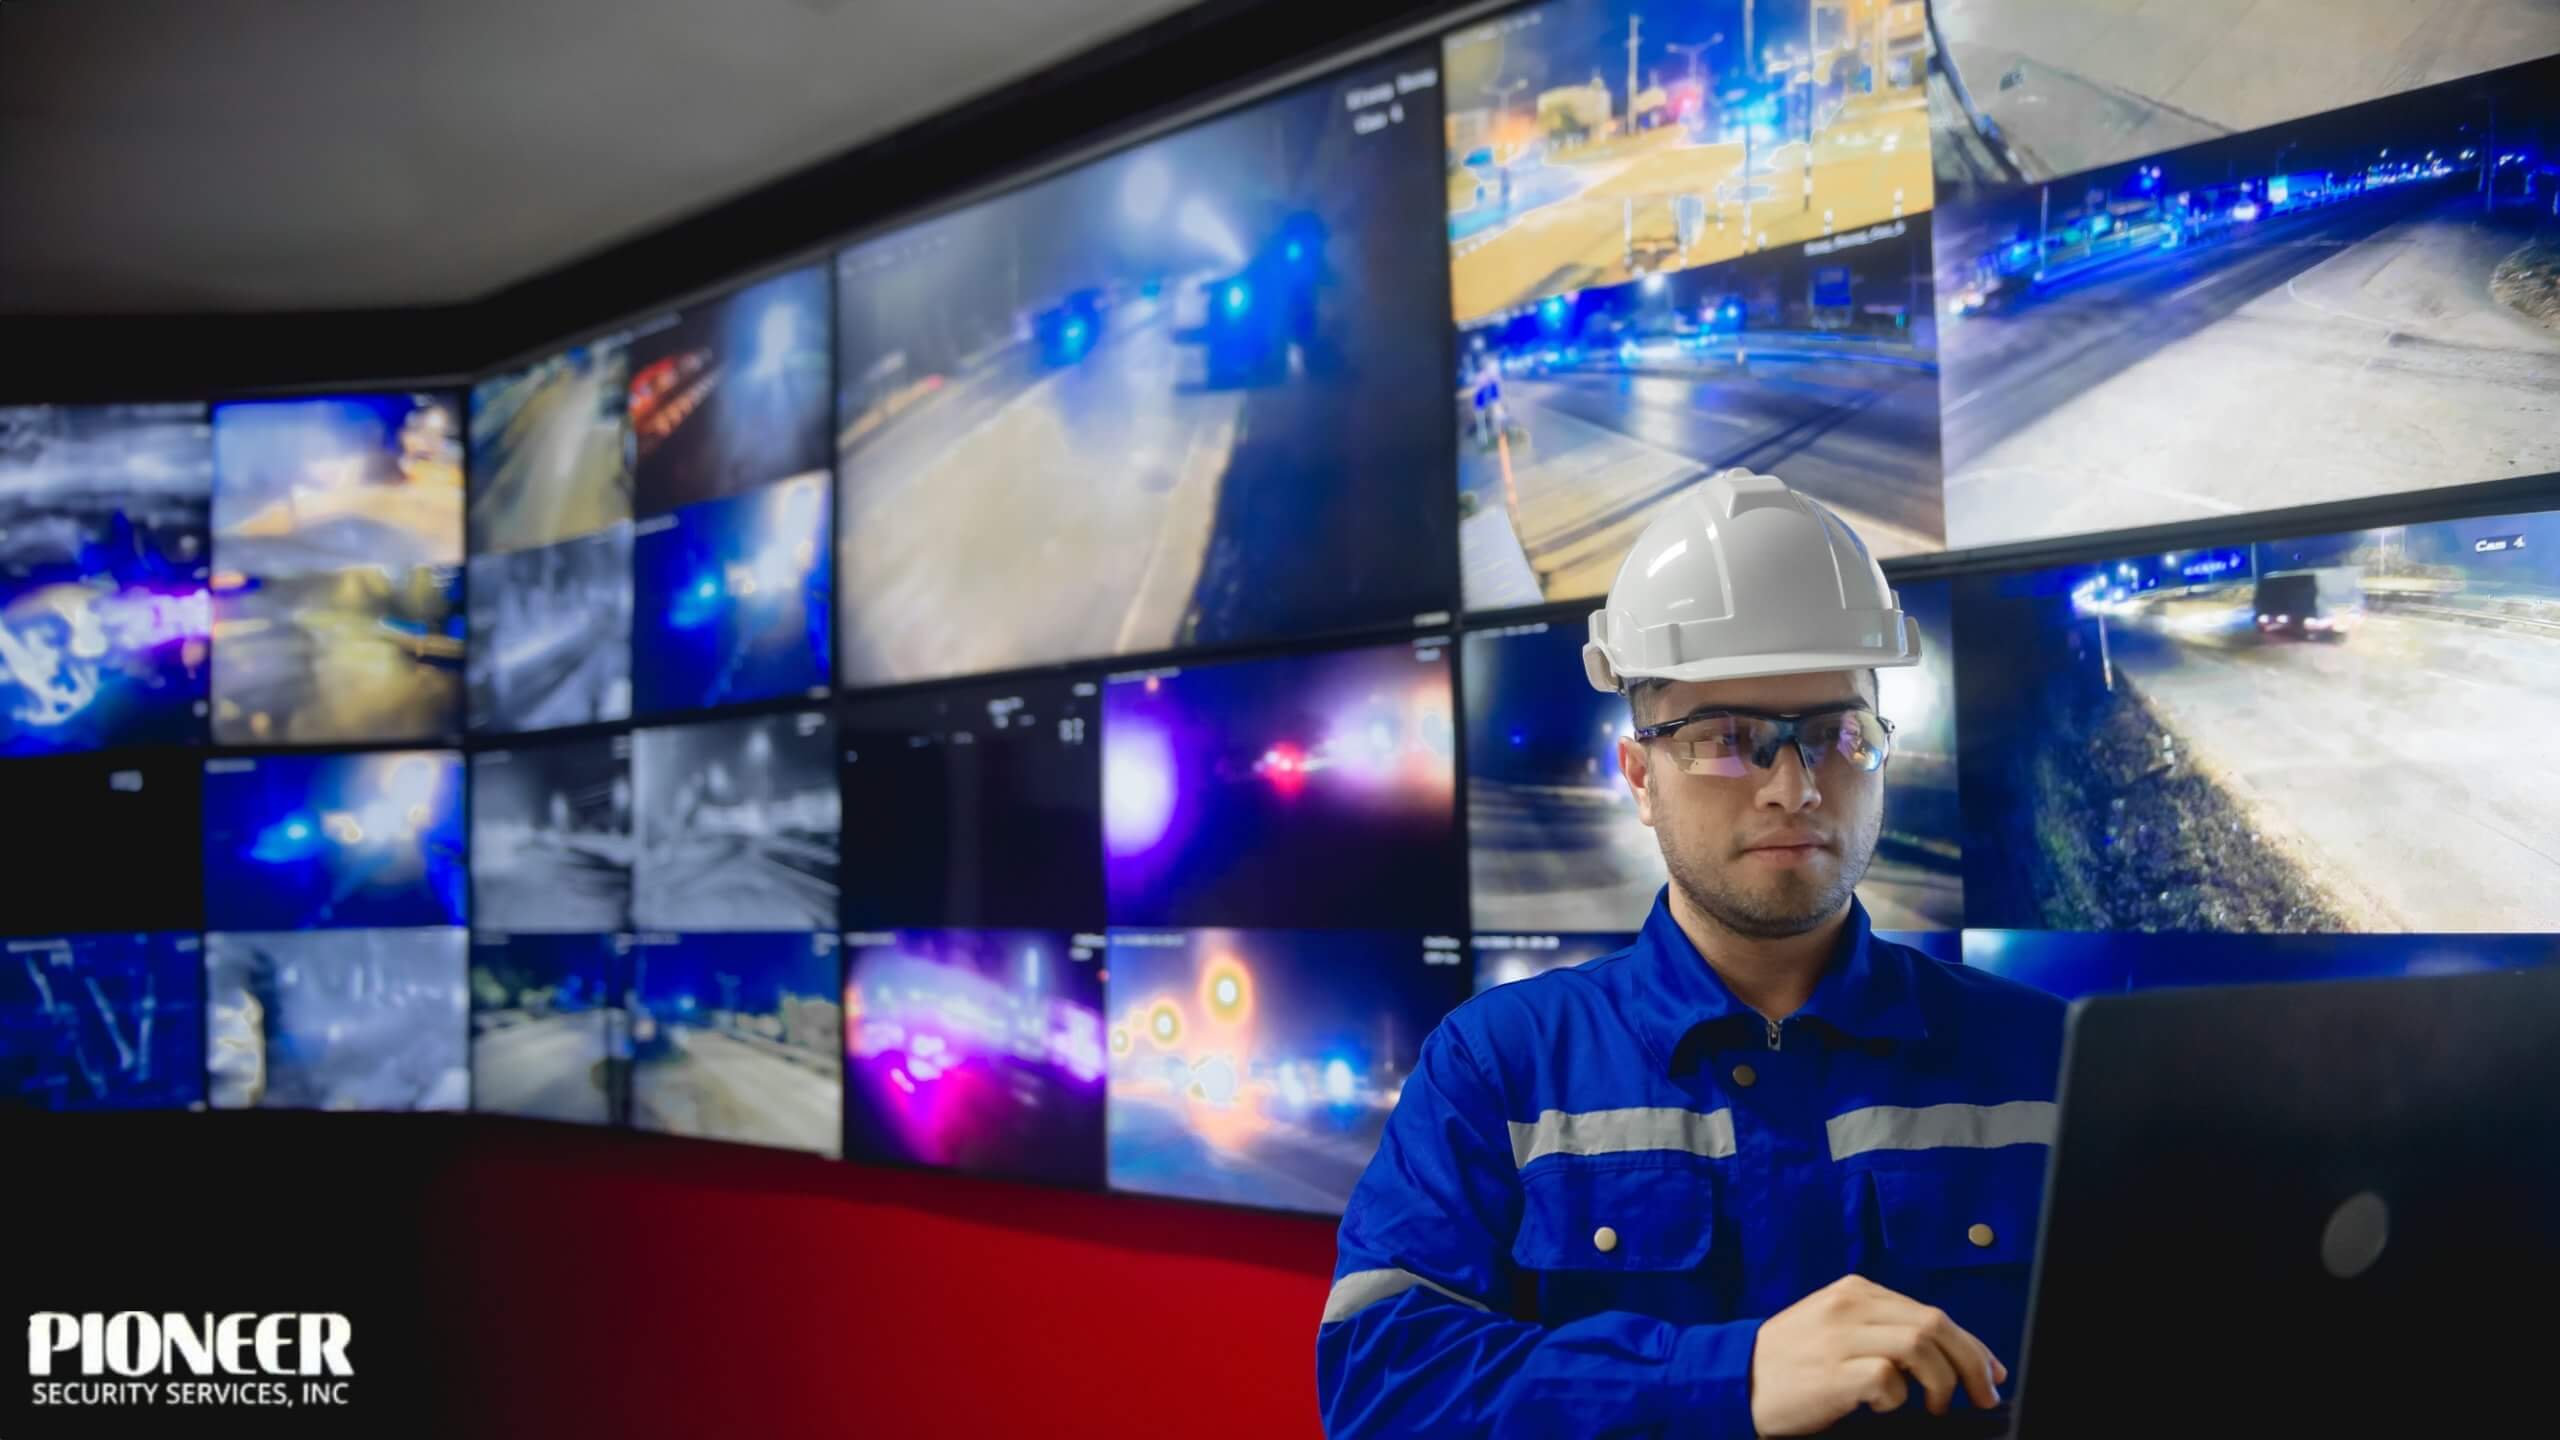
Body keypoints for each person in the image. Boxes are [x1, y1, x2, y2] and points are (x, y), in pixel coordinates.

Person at [1317, 469, 2064, 1438]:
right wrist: (1728, 1378)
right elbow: (1385, 1387)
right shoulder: (1501, 1065)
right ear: (1638, 774)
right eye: (1726, 738)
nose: (1793, 788)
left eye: (1837, 734)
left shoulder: (2040, 1058)